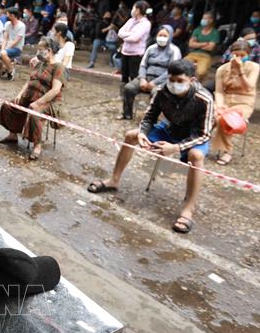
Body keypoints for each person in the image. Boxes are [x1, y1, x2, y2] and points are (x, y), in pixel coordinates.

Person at [88, 59, 214, 234]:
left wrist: (176, 148)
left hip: (193, 136)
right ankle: (114, 180)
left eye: (180, 81)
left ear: (192, 81)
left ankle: (188, 209)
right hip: (169, 129)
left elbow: (204, 134)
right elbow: (149, 117)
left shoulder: (204, 98)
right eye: (172, 80)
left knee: (196, 157)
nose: (174, 84)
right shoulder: (162, 90)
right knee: (131, 135)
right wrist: (142, 133)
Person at [0, 36, 65, 160]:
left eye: (40, 49)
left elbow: (55, 90)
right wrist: (20, 94)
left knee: (35, 113)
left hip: (48, 100)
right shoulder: (40, 64)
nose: (38, 52)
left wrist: (39, 102)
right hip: (31, 95)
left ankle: (37, 145)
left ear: (48, 51)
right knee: (8, 105)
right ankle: (12, 135)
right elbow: (29, 81)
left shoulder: (58, 67)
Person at [211, 40, 260, 165]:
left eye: (242, 55)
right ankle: (198, 142)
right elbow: (219, 91)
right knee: (210, 115)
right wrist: (219, 105)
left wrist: (240, 70)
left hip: (244, 103)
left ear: (248, 55)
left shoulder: (254, 67)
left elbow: (249, 87)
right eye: (236, 54)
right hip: (226, 101)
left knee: (225, 119)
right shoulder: (222, 69)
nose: (238, 58)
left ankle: (228, 151)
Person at [120, 25, 182, 119]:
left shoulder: (174, 50)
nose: (162, 38)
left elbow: (171, 71)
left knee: (156, 93)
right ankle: (127, 114)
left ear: (170, 37)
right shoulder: (151, 48)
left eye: (165, 36)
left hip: (162, 80)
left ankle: (150, 119)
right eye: (160, 35)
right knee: (129, 88)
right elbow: (143, 65)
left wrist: (155, 82)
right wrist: (142, 79)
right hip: (147, 76)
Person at [117, 0, 151, 84]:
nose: (132, 10)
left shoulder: (146, 23)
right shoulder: (130, 21)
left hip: (136, 54)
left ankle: (130, 95)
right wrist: (130, 34)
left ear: (138, 10)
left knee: (134, 76)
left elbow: (135, 38)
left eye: (133, 8)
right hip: (125, 51)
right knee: (124, 75)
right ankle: (122, 95)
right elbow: (120, 32)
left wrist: (125, 36)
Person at [0, 8, 26, 81]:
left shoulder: (21, 26)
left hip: (17, 48)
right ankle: (4, 69)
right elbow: (5, 38)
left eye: (7, 14)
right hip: (6, 48)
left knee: (3, 53)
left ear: (12, 15)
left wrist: (5, 50)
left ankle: (11, 70)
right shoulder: (7, 24)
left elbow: (16, 41)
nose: (6, 15)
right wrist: (3, 48)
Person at [184, 11, 219, 81]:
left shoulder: (215, 33)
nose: (203, 20)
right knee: (182, 67)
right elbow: (191, 44)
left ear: (211, 20)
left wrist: (196, 44)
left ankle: (196, 86)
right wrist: (205, 43)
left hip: (205, 56)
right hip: (193, 53)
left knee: (201, 72)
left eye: (205, 18)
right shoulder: (197, 30)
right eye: (203, 18)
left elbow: (210, 48)